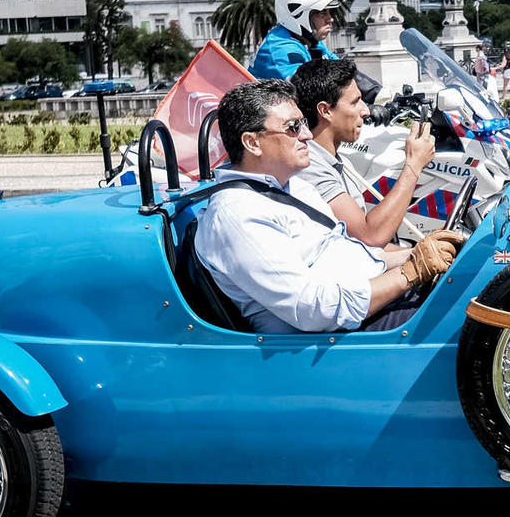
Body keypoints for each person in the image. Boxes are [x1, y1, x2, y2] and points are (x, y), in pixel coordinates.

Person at [194, 80, 462, 333]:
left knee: (473, 279)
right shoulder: (238, 215)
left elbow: (351, 257)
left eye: (303, 124)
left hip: (369, 304)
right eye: (293, 127)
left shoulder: (293, 185)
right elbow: (313, 309)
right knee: (467, 312)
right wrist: (410, 273)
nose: (308, 135)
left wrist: (415, 255)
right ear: (252, 142)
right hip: (336, 335)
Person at [293, 58, 436, 247]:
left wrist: (421, 252)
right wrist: (414, 165)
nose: (365, 111)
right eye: (355, 102)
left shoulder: (335, 160)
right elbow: (369, 237)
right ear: (325, 110)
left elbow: (368, 251)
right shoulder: (309, 166)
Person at [248, 0, 346, 81]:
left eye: (329, 12)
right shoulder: (282, 49)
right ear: (297, 14)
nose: (330, 19)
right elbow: (308, 89)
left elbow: (343, 70)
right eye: (322, 13)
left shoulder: (308, 41)